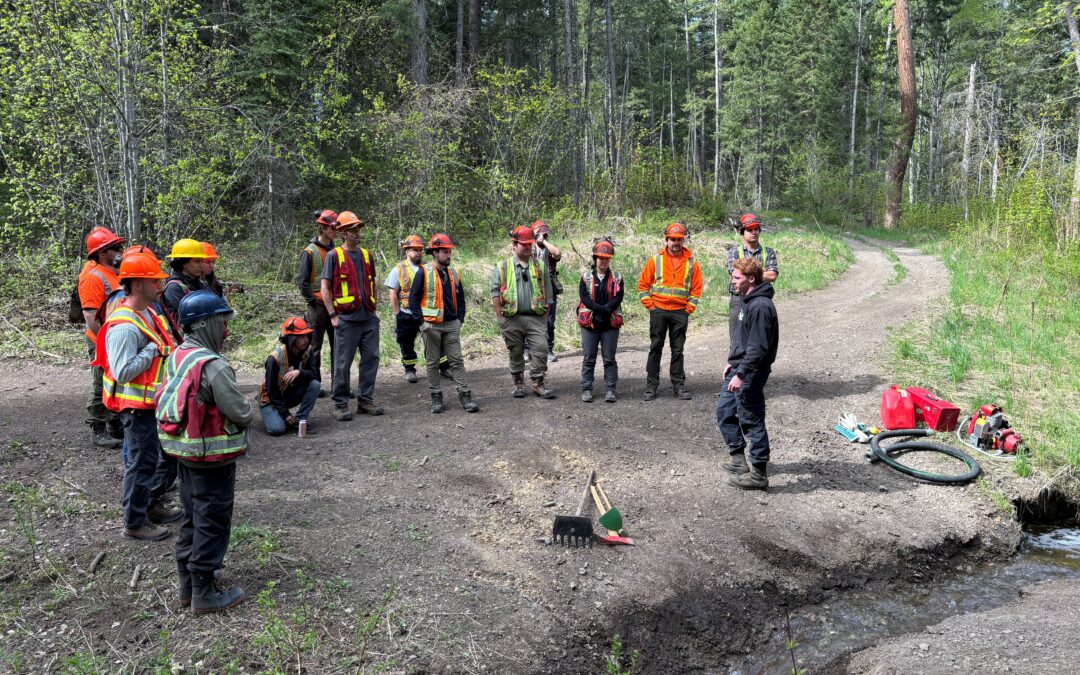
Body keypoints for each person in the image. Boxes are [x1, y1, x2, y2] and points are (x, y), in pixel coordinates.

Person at [156, 290, 253, 613]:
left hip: (184, 456)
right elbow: (239, 411)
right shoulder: (213, 366)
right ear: (205, 325)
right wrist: (249, 407)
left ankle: (187, 585)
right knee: (213, 520)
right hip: (211, 459)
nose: (225, 330)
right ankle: (204, 593)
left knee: (193, 518)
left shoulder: (179, 354)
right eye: (221, 323)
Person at [92, 249, 181, 541]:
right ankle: (134, 522)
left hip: (154, 403)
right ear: (138, 284)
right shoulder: (125, 326)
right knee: (141, 464)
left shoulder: (148, 312)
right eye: (155, 280)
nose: (160, 285)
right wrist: (152, 349)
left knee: (163, 458)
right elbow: (122, 372)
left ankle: (150, 506)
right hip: (136, 408)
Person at [717, 257, 779, 490]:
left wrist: (741, 373)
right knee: (725, 411)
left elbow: (758, 348)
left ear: (751, 279)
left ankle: (759, 474)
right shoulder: (746, 299)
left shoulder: (761, 306)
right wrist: (731, 361)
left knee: (751, 419)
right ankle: (738, 461)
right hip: (738, 367)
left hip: (750, 372)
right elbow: (743, 338)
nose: (732, 281)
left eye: (736, 278)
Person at [320, 211, 383, 420]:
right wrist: (332, 315)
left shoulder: (367, 255)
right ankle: (340, 404)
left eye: (359, 230)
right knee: (342, 363)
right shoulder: (334, 256)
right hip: (346, 319)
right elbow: (325, 287)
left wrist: (375, 309)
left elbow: (373, 283)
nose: (358, 234)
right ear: (344, 233)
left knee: (371, 359)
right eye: (354, 230)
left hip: (368, 318)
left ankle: (365, 401)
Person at [409, 234, 478, 414]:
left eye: (449, 252)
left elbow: (461, 299)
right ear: (435, 252)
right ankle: (436, 397)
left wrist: (459, 319)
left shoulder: (454, 273)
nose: (449, 255)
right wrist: (422, 324)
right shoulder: (423, 272)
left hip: (451, 324)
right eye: (445, 252)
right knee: (432, 363)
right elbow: (413, 300)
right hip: (431, 326)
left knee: (457, 361)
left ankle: (465, 395)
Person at [636, 222, 703, 401]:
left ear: (684, 240)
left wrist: (689, 308)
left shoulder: (692, 262)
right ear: (666, 240)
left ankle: (678, 386)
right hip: (658, 310)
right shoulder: (655, 260)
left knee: (678, 350)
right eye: (672, 239)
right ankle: (651, 386)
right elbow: (642, 286)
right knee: (655, 348)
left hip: (680, 312)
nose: (676, 242)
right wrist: (650, 306)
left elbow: (696, 289)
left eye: (679, 239)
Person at [492, 225, 555, 399]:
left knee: (541, 349)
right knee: (516, 351)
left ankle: (537, 382)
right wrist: (501, 317)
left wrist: (544, 318)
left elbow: (548, 293)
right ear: (514, 245)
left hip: (536, 317)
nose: (528, 247)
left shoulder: (540, 265)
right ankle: (519, 384)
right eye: (524, 244)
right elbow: (495, 292)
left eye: (530, 244)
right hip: (511, 318)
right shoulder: (502, 266)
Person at [79, 226, 126, 448]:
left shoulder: (116, 272)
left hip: (118, 335)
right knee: (102, 382)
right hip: (101, 338)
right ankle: (98, 428)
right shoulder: (92, 277)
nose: (120, 250)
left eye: (119, 246)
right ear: (101, 253)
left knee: (118, 380)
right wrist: (106, 340)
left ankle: (115, 425)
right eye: (114, 247)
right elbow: (90, 315)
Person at [386, 234, 451, 383]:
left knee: (436, 341)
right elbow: (393, 293)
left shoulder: (427, 268)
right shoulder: (399, 270)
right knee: (406, 342)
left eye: (420, 250)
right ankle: (409, 369)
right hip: (407, 314)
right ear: (406, 251)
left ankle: (444, 367)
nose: (418, 253)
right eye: (414, 250)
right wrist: (398, 314)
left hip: (426, 313)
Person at [578, 239, 624, 403]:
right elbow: (584, 298)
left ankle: (611, 389)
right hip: (590, 323)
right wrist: (600, 309)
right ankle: (587, 389)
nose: (603, 261)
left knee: (609, 358)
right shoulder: (586, 277)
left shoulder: (617, 277)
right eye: (600, 257)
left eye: (606, 258)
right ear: (595, 258)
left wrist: (607, 309)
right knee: (589, 358)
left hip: (610, 324)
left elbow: (619, 297)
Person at [259, 317, 322, 436]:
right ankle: (275, 415)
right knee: (277, 430)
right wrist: (285, 413)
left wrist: (300, 372)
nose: (306, 340)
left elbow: (315, 376)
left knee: (315, 384)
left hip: (288, 394)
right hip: (270, 400)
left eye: (307, 335)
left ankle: (299, 421)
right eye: (301, 336)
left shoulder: (308, 352)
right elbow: (271, 391)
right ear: (291, 338)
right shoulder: (275, 358)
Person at [296, 209, 337, 391]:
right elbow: (302, 282)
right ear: (322, 227)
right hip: (317, 308)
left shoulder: (337, 251)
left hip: (336, 306)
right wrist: (313, 302)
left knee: (339, 347)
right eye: (331, 227)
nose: (334, 230)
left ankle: (339, 384)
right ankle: (315, 383)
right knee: (314, 347)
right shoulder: (309, 252)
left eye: (335, 227)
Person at [726, 213, 778, 345]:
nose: (754, 232)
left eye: (756, 229)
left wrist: (748, 273)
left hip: (761, 297)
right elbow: (734, 273)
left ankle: (758, 364)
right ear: (742, 232)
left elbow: (772, 276)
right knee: (736, 335)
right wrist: (762, 272)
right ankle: (736, 364)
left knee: (760, 335)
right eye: (749, 230)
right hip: (739, 298)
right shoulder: (734, 252)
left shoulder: (768, 252)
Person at [531, 220, 563, 362]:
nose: (543, 237)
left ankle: (549, 349)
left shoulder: (548, 250)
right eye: (540, 234)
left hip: (549, 288)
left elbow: (557, 254)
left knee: (549, 320)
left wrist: (543, 242)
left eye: (545, 235)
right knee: (530, 319)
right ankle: (528, 350)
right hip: (532, 288)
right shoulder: (529, 249)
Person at [163, 239, 209, 337]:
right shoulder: (174, 288)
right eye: (197, 261)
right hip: (187, 340)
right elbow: (192, 315)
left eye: (202, 261)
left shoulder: (200, 283)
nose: (201, 265)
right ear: (184, 263)